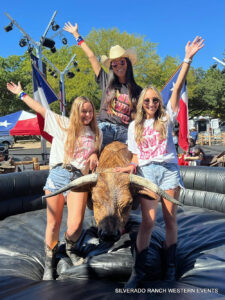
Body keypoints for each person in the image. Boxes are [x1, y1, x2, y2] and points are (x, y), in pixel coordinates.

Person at [115, 36, 204, 287]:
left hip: (168, 172)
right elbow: (135, 155)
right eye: (147, 100)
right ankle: (139, 272)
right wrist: (131, 166)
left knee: (170, 220)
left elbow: (176, 89)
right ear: (142, 103)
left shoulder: (166, 120)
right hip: (147, 173)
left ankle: (171, 266)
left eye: (155, 100)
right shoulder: (135, 126)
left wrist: (187, 59)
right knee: (148, 222)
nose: (152, 103)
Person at [6, 81, 102, 280]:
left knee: (76, 225)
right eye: (83, 111)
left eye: (90, 111)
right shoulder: (63, 124)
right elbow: (40, 109)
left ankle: (71, 249)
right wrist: (21, 93)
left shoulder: (96, 132)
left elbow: (94, 151)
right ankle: (50, 261)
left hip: (79, 179)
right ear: (76, 112)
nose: (87, 115)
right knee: (53, 223)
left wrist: (94, 155)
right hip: (59, 175)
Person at [63, 22, 142, 148]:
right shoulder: (106, 81)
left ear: (128, 64)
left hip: (125, 132)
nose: (119, 66)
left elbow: (140, 116)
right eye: (114, 64)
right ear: (111, 67)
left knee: (135, 155)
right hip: (105, 128)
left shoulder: (138, 90)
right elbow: (92, 57)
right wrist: (76, 34)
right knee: (91, 152)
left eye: (122, 62)